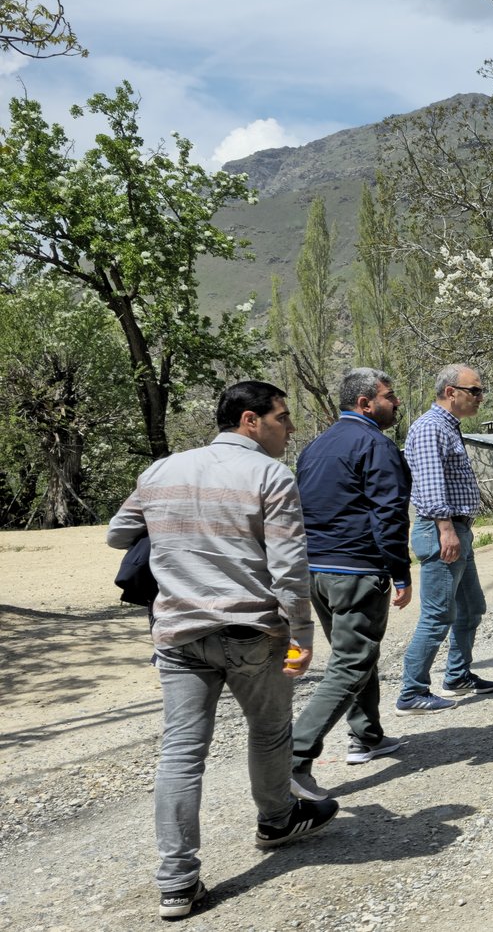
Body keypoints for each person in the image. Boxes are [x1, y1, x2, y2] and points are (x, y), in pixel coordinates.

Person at [107, 381, 341, 921]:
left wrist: (177, 531)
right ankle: (277, 819)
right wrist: (303, 635)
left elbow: (119, 535)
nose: (289, 428)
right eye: (282, 417)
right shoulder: (270, 475)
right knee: (269, 729)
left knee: (182, 754)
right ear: (250, 421)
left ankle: (176, 883)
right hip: (252, 632)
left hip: (178, 633)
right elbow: (287, 567)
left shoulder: (161, 470)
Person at [286, 368, 413, 802]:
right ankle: (294, 758)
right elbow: (389, 515)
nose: (396, 403)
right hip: (355, 570)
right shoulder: (376, 445)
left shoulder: (315, 446)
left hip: (316, 571)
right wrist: (400, 571)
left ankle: (367, 734)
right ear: (365, 404)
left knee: (355, 653)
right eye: (389, 397)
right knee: (351, 662)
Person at [396, 363, 493, 714]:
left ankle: (457, 675)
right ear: (451, 392)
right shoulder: (429, 428)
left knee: (471, 607)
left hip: (456, 529)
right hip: (443, 530)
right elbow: (430, 483)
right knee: (438, 616)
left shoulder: (448, 428)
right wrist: (446, 528)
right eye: (475, 390)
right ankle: (411, 692)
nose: (481, 397)